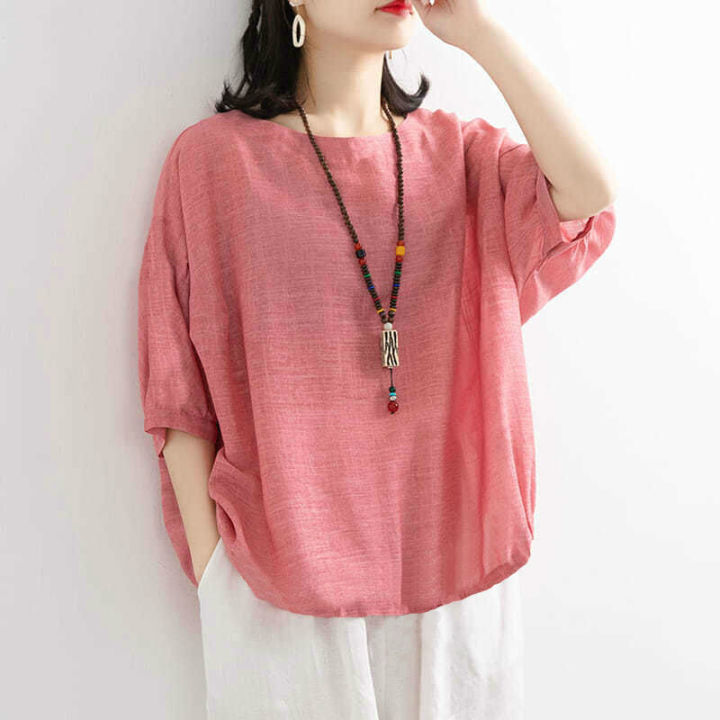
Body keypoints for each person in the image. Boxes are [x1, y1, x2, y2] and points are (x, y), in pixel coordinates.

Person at [136, 0, 617, 717]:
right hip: (281, 597)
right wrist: (219, 583)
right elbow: (178, 389)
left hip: (456, 591)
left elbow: (587, 193)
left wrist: (478, 32)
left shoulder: (462, 157)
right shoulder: (215, 163)